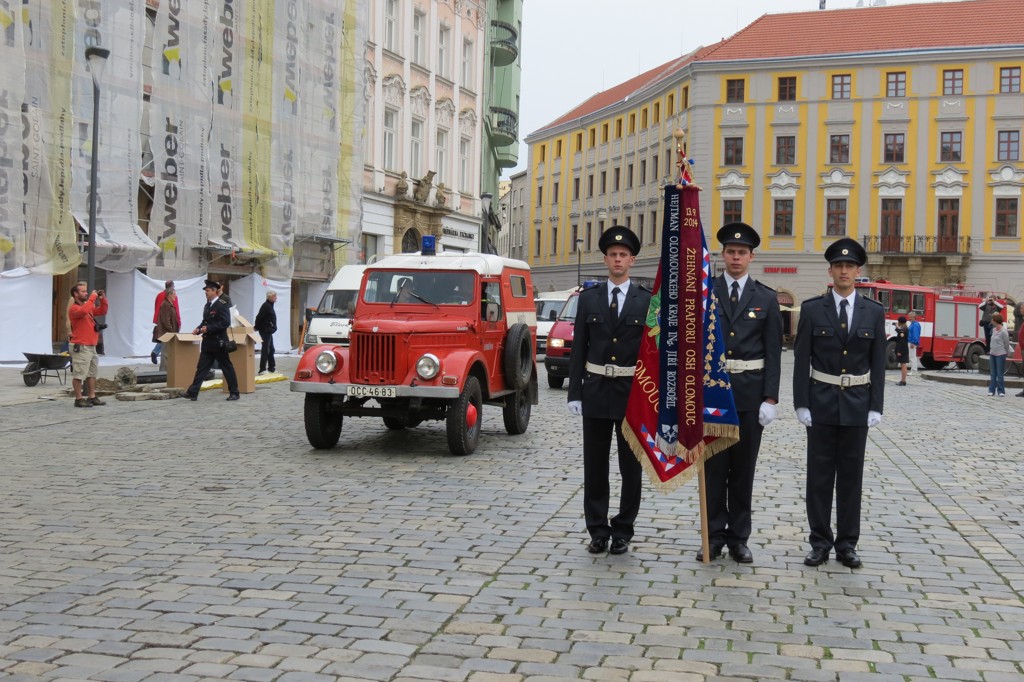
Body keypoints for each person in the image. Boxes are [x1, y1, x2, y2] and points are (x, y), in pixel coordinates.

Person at [793, 237, 885, 569]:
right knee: (818, 477)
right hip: (820, 403)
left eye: (849, 266)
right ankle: (819, 541)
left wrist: (877, 405)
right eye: (838, 266)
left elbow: (878, 362)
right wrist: (801, 402)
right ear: (830, 270)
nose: (844, 271)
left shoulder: (873, 312)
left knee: (851, 478)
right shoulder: (813, 309)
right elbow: (802, 358)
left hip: (858, 405)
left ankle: (847, 543)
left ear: (857, 271)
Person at [567, 225, 651, 556]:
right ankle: (598, 529)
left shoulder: (646, 302)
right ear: (605, 260)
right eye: (612, 255)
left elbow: (651, 351)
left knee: (631, 468)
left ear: (632, 260)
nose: (618, 260)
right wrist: (575, 392)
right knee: (596, 465)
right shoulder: (588, 299)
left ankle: (624, 529)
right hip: (597, 391)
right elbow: (579, 350)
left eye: (623, 255)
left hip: (632, 393)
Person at [701, 223, 783, 564]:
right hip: (714, 395)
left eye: (742, 253)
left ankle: (739, 538)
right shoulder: (706, 293)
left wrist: (771, 398)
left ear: (751, 257)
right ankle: (713, 536)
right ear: (723, 255)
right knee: (714, 469)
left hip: (750, 396)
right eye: (731, 252)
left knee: (743, 471)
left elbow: (774, 351)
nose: (736, 258)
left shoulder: (765, 297)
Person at [183, 279, 240, 401]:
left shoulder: (222, 304)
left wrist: (208, 328)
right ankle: (193, 392)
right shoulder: (207, 305)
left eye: (208, 291)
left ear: (214, 291)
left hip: (219, 342)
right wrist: (198, 329)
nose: (206, 293)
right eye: (205, 291)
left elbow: (225, 323)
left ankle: (234, 392)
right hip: (208, 343)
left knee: (226, 367)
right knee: (201, 368)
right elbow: (205, 322)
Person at [68, 282, 109, 408]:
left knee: (92, 373)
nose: (86, 293)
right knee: (79, 374)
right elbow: (84, 311)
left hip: (91, 345)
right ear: (76, 294)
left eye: (86, 291)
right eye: (83, 291)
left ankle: (91, 396)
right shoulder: (74, 308)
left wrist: (102, 299)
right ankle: (78, 399)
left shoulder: (88, 306)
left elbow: (102, 310)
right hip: (81, 346)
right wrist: (92, 297)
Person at [151, 280, 180, 364]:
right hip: (170, 322)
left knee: (163, 339)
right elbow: (176, 309)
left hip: (159, 320)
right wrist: (178, 321)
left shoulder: (159, 295)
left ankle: (155, 352)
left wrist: (157, 319)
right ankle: (157, 353)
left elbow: (156, 307)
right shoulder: (172, 296)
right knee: (167, 340)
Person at [254, 291, 278, 374]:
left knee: (271, 349)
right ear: (269, 297)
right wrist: (257, 327)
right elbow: (259, 317)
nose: (276, 297)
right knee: (266, 349)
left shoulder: (270, 305)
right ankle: (262, 369)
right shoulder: (266, 306)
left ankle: (271, 368)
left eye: (276, 296)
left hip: (268, 330)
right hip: (265, 330)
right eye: (274, 296)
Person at [987, 312, 1009, 397]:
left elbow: (1006, 343)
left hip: (1000, 354)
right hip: (992, 353)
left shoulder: (1003, 331)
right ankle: (991, 390)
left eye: (992, 319)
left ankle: (1001, 390)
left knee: (1000, 374)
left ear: (996, 321)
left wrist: (1005, 352)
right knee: (993, 373)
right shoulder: (993, 330)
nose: (991, 321)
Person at [892, 316, 909, 386]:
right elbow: (900, 332)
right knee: (903, 364)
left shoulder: (904, 330)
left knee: (903, 365)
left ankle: (903, 380)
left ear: (900, 322)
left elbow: (901, 341)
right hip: (904, 349)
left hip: (902, 350)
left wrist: (899, 351)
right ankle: (903, 380)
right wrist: (896, 327)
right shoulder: (904, 329)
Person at [906, 311, 921, 375]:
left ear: (914, 317)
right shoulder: (914, 324)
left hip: (912, 342)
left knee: (912, 356)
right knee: (912, 356)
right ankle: (913, 370)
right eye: (909, 317)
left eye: (911, 317)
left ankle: (914, 370)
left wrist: (913, 342)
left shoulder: (914, 325)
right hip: (911, 342)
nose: (909, 318)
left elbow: (915, 335)